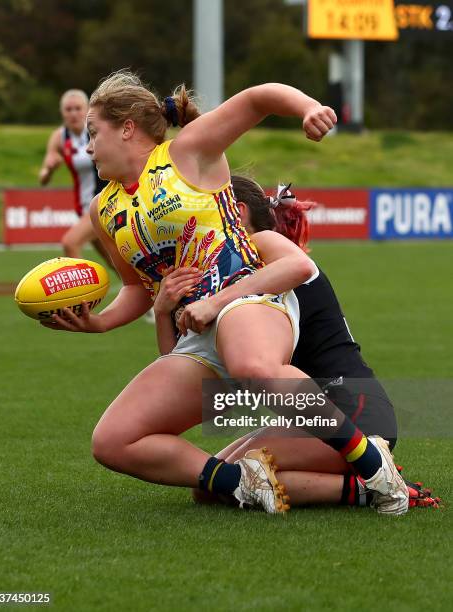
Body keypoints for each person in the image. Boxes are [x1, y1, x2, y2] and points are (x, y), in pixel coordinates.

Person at [42, 70, 408, 515]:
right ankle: (244, 483)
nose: (87, 146)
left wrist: (308, 107)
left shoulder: (186, 151)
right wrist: (95, 322)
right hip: (200, 332)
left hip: (246, 299)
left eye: (93, 132)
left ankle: (375, 467)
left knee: (253, 365)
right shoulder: (105, 210)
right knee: (113, 440)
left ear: (126, 127)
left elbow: (259, 97)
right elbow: (136, 288)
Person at [150, 175, 436, 509]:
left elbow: (301, 265)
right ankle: (366, 483)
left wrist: (213, 303)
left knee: (236, 477)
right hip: (306, 416)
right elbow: (187, 373)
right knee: (209, 483)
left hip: (351, 411)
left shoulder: (272, 260)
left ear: (237, 214)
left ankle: (373, 486)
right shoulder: (228, 278)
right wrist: (161, 312)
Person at [39, 89, 110, 264]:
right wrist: (49, 169)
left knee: (70, 243)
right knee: (114, 262)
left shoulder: (98, 131)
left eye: (78, 108)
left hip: (104, 202)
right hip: (83, 207)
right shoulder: (59, 137)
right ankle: (146, 289)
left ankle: (81, 292)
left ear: (87, 110)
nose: (73, 113)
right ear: (62, 112)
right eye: (68, 109)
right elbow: (43, 179)